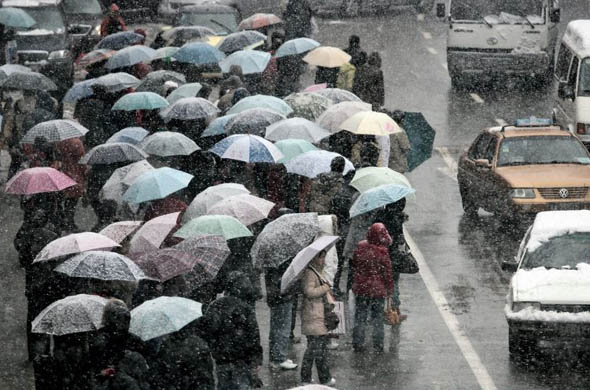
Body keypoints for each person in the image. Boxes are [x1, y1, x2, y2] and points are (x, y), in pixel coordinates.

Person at [202, 271, 263, 390]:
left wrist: (215, 350)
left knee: (224, 385)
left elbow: (208, 332)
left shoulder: (215, 306)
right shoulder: (246, 308)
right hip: (241, 360)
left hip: (221, 360)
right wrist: (256, 358)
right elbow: (253, 337)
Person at [351, 223, 393, 352]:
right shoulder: (382, 252)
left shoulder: (360, 247)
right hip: (377, 290)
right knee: (377, 318)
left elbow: (355, 265)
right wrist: (389, 289)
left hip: (361, 288)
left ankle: (358, 342)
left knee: (360, 316)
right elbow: (387, 273)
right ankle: (378, 344)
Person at [300, 250, 335, 386]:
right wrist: (325, 287)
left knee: (320, 349)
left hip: (318, 315)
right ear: (314, 259)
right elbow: (309, 292)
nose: (324, 261)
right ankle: (307, 378)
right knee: (314, 349)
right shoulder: (310, 273)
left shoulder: (316, 272)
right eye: (321, 258)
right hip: (313, 315)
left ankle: (323, 377)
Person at [265, 261, 298, 370]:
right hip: (282, 298)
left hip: (276, 298)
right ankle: (279, 358)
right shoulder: (282, 263)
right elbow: (282, 282)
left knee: (276, 328)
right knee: (282, 328)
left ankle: (276, 357)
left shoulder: (270, 262)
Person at [330, 170, 358, 294]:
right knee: (352, 262)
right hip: (350, 231)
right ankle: (349, 288)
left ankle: (335, 286)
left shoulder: (338, 193)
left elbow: (332, 210)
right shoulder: (355, 195)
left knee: (339, 262)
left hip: (339, 230)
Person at [56, 138, 87, 233]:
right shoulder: (77, 143)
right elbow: (82, 161)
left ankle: (63, 222)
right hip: (75, 175)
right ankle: (69, 222)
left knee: (64, 200)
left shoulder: (59, 143)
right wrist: (85, 174)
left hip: (63, 174)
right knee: (72, 202)